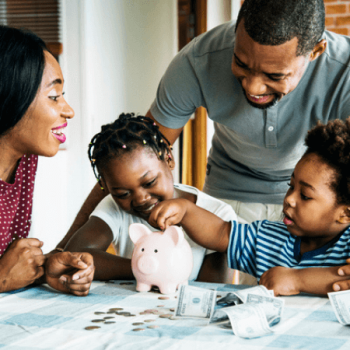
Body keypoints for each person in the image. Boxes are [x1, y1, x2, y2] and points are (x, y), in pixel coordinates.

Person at [58, 0, 350, 284]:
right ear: (237, 30)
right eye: (241, 63)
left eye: (274, 75)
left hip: (320, 205)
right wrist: (63, 250)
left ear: (316, 51)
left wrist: (302, 280)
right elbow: (133, 156)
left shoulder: (345, 71)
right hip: (229, 198)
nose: (252, 86)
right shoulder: (198, 60)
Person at [149, 118, 350, 296]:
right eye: (291, 186)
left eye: (305, 196)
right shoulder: (269, 239)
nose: (289, 199)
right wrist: (186, 210)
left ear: (346, 213)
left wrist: (296, 280)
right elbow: (220, 233)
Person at [63, 114, 237, 282]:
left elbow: (212, 289)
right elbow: (73, 255)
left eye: (149, 182)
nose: (140, 199)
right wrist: (143, 268)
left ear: (168, 158)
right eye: (123, 194)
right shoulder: (114, 206)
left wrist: (152, 269)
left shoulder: (218, 214)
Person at [0, 25, 94, 295]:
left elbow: (9, 263)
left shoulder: (25, 160)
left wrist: (43, 269)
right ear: (10, 96)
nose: (69, 110)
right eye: (54, 97)